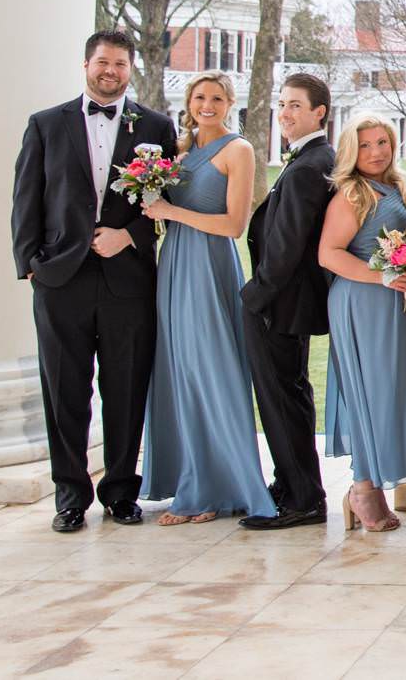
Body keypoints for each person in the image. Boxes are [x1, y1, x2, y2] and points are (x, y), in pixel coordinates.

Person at [11, 30, 178, 532]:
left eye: (121, 64)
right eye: (103, 62)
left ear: (131, 69)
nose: (111, 71)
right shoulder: (45, 125)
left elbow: (167, 207)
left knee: (126, 386)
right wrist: (33, 265)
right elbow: (26, 200)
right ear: (86, 64)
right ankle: (69, 496)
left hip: (128, 280)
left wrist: (128, 237)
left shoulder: (156, 126)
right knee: (64, 390)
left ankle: (121, 491)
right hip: (61, 280)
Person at [139, 71, 275, 524]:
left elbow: (234, 225)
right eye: (200, 97)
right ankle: (191, 482)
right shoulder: (177, 152)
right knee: (179, 370)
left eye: (217, 97)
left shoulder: (238, 150)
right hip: (173, 263)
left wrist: (170, 211)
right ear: (189, 102)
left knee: (211, 369)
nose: (207, 105)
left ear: (230, 102)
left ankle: (216, 488)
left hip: (209, 264)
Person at [318, 114, 406, 533]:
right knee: (371, 393)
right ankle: (362, 487)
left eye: (382, 142)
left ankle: (373, 488)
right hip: (363, 302)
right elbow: (329, 253)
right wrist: (382, 275)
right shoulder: (352, 193)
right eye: (365, 145)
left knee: (396, 395)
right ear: (352, 150)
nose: (376, 151)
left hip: (403, 305)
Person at [237, 72, 335, 531]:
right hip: (284, 303)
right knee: (288, 394)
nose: (284, 113)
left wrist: (253, 296)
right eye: (281, 104)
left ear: (320, 112)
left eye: (295, 105)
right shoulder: (310, 159)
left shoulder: (308, 166)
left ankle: (303, 498)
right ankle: (292, 484)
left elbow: (286, 246)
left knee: (281, 398)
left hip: (278, 304)